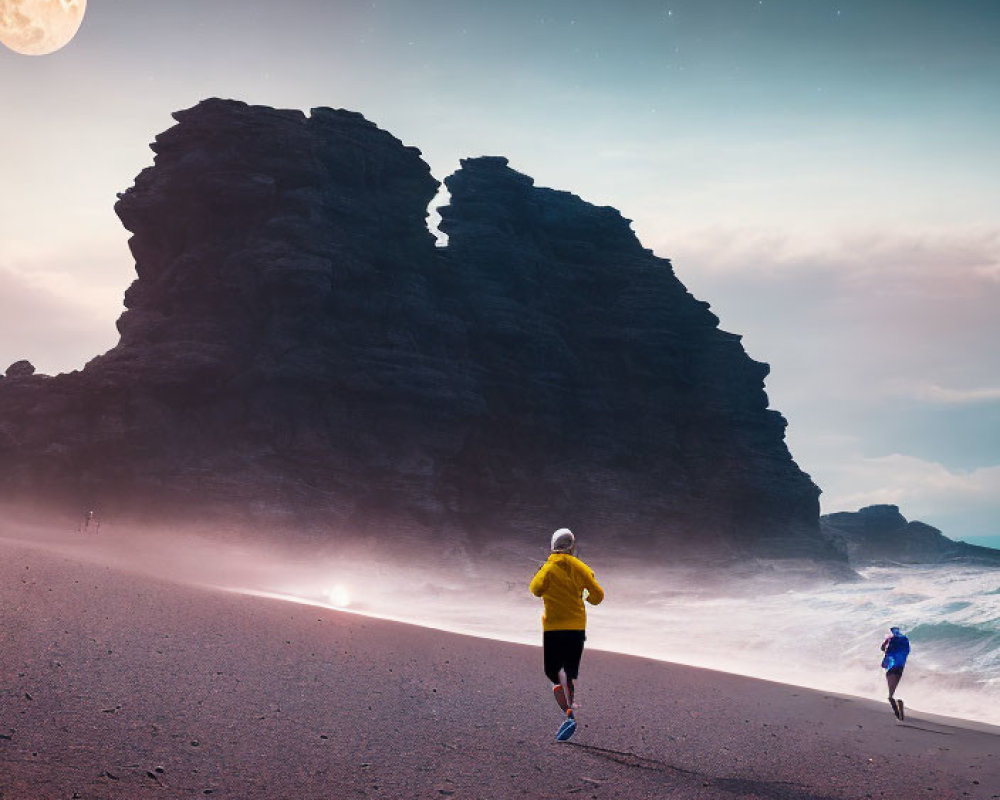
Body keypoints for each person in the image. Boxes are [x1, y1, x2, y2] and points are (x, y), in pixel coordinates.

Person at [529, 528, 604, 740]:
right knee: (568, 672)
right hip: (576, 626)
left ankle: (569, 715)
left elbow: (535, 590)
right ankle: (569, 712)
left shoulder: (548, 568)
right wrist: (585, 600)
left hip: (554, 627)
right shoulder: (581, 568)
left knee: (553, 674)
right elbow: (598, 595)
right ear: (571, 545)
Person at [880, 626, 910, 720]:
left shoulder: (890, 639)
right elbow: (907, 651)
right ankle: (898, 710)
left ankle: (898, 713)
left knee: (890, 694)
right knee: (893, 688)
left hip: (891, 666)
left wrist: (885, 646)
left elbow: (884, 649)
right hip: (900, 666)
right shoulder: (904, 639)